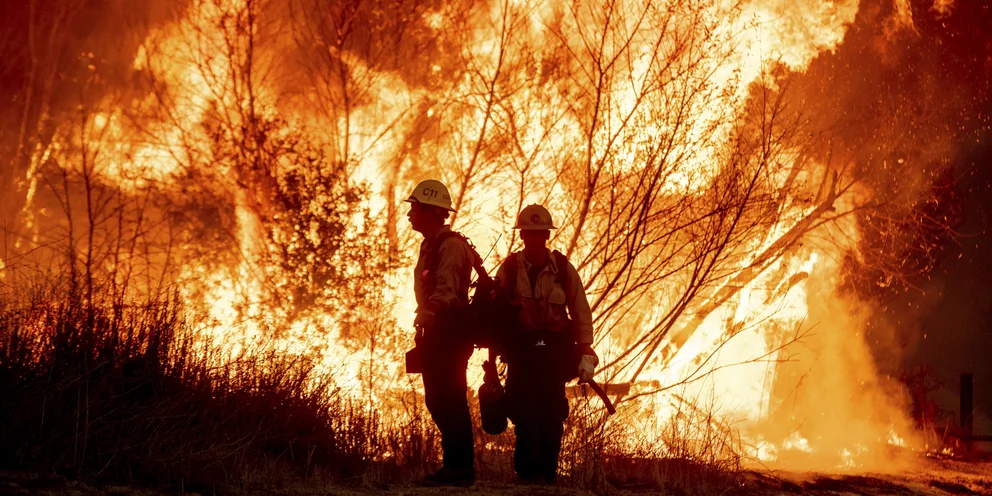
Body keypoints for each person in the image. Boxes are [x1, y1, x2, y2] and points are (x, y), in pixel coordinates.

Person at [495, 204, 599, 485]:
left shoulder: (563, 269)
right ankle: (528, 474)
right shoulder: (509, 269)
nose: (535, 238)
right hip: (522, 352)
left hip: (553, 354)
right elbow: (495, 310)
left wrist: (585, 349)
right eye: (530, 233)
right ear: (522, 236)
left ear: (546, 236)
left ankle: (548, 473)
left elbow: (580, 310)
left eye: (539, 233)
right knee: (523, 410)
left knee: (552, 413)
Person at [405, 179, 477, 487]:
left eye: (415, 208)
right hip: (437, 329)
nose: (410, 214)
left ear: (433, 212)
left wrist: (430, 310)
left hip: (451, 329)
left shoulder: (450, 246)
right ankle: (456, 466)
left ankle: (459, 468)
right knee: (437, 399)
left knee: (449, 398)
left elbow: (446, 288)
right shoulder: (430, 244)